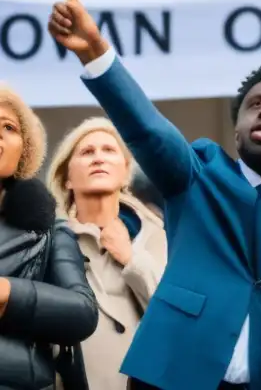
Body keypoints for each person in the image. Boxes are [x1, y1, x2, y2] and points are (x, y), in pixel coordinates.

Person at [47, 0, 261, 390]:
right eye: (255, 104)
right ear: (238, 131)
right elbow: (148, 130)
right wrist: (96, 52)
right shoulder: (198, 176)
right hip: (168, 380)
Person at [46, 117, 168, 390]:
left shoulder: (157, 237)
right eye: (87, 152)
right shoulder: (47, 243)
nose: (98, 158)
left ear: (125, 173)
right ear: (67, 178)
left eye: (109, 150)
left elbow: (176, 321)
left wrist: (132, 258)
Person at [0, 84, 98, 390]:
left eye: (8, 126)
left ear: (24, 150)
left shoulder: (48, 230)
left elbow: (82, 313)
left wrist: (7, 294)